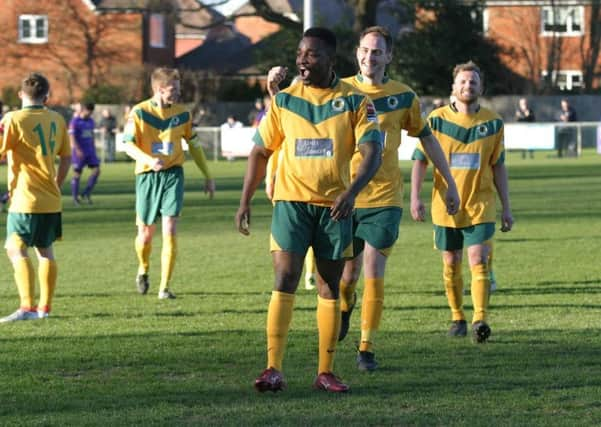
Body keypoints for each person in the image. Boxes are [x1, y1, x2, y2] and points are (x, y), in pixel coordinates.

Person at [267, 26, 459, 372]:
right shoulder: (338, 88)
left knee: (373, 266)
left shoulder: (404, 97)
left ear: (389, 57)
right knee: (347, 278)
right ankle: (342, 308)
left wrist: (450, 183)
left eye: (377, 52)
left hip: (383, 197)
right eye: (365, 50)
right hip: (338, 199)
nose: (370, 57)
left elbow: (428, 140)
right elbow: (291, 126)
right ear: (356, 53)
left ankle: (366, 347)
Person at [236, 27, 382, 393]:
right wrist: (245, 201)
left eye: (312, 54)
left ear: (332, 60)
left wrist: (352, 193)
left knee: (328, 284)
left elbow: (372, 151)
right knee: (285, 277)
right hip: (291, 203)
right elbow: (259, 151)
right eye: (300, 53)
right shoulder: (284, 101)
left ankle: (326, 371)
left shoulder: (355, 101)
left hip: (334, 206)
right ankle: (272, 368)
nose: (302, 59)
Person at [411, 61, 513, 343]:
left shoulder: (493, 123)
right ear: (453, 87)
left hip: (480, 204)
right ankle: (457, 316)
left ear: (481, 88)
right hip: (446, 205)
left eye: (473, 82)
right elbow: (420, 161)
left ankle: (480, 318)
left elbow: (498, 166)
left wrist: (507, 207)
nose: (468, 85)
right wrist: (415, 198)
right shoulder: (436, 120)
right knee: (451, 261)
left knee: (478, 259)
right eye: (463, 81)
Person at [123, 67, 215, 300]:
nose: (177, 93)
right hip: (147, 176)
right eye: (173, 89)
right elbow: (127, 144)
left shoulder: (183, 114)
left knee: (170, 230)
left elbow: (194, 145)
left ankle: (164, 288)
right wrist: (147, 159)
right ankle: (143, 269)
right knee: (145, 234)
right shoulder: (139, 112)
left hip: (173, 175)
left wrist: (207, 175)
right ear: (158, 89)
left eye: (178, 88)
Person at [0, 72, 71, 322]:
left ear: (20, 94)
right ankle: (45, 309)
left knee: (14, 249)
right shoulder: (57, 119)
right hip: (51, 198)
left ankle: (27, 307)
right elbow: (67, 157)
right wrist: (57, 184)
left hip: (24, 196)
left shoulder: (14, 119)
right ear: (47, 96)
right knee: (45, 252)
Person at [69, 102, 100, 205]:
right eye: (89, 112)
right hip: (79, 151)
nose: (90, 114)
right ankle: (75, 198)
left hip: (90, 151)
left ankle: (86, 193)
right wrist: (77, 149)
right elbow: (72, 137)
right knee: (77, 173)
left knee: (96, 170)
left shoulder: (91, 121)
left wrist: (94, 147)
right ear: (84, 110)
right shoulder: (75, 122)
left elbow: (91, 135)